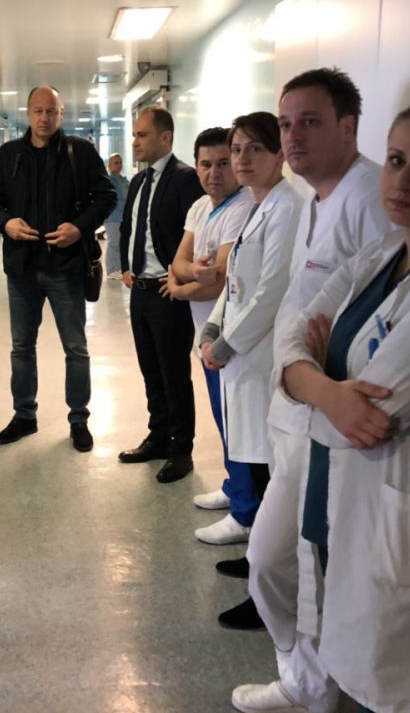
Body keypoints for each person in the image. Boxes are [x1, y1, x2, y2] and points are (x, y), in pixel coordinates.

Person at [276, 94, 410, 713]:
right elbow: (291, 335)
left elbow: (372, 414)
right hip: (343, 490)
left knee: (408, 681)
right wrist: (324, 388)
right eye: (396, 160)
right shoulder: (380, 257)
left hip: (409, 512)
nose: (402, 180)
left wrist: (305, 378)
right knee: (353, 655)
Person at [231, 68, 391, 712]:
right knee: (282, 562)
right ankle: (303, 676)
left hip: (328, 417)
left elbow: (373, 324)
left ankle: (315, 686)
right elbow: (305, 314)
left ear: (348, 127)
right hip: (295, 407)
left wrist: (319, 364)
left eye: (310, 122)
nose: (292, 136)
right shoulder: (314, 197)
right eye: (286, 123)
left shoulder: (369, 201)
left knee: (289, 561)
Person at [196, 113, 302, 630]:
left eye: (254, 149)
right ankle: (256, 560)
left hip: (260, 360)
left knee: (267, 473)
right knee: (253, 464)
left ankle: (269, 592)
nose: (241, 159)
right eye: (237, 149)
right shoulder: (258, 206)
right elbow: (235, 283)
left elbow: (271, 291)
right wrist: (212, 328)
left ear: (280, 153)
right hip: (240, 356)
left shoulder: (288, 208)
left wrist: (226, 343)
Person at [0, 85, 116, 452]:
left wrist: (80, 227)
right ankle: (24, 415)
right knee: (21, 347)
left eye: (51, 111)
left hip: (65, 268)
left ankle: (79, 420)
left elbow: (106, 196)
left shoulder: (79, 152)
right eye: (38, 111)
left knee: (76, 348)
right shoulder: (9, 154)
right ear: (28, 113)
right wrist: (5, 223)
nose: (44, 118)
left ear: (61, 113)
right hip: (22, 269)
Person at [164, 126, 255, 526]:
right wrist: (190, 274)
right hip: (206, 336)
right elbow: (178, 261)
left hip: (231, 337)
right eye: (206, 164)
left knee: (238, 422)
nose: (213, 173)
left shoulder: (243, 208)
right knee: (223, 416)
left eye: (222, 163)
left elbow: (219, 281)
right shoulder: (201, 206)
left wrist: (179, 289)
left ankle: (245, 510)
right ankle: (235, 487)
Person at [118, 106, 204, 483]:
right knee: (151, 371)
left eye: (143, 135)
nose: (135, 142)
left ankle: (181, 450)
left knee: (174, 375)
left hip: (168, 293)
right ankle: (158, 438)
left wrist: (180, 279)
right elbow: (129, 226)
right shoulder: (139, 181)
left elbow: (196, 234)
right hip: (140, 291)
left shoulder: (185, 179)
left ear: (165, 138)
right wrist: (126, 265)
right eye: (135, 135)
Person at [104, 152, 128, 278]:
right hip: (113, 217)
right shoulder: (107, 181)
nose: (119, 165)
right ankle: (112, 270)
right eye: (116, 163)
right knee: (113, 243)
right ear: (109, 165)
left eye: (120, 162)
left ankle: (119, 268)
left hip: (124, 217)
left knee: (121, 244)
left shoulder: (124, 181)